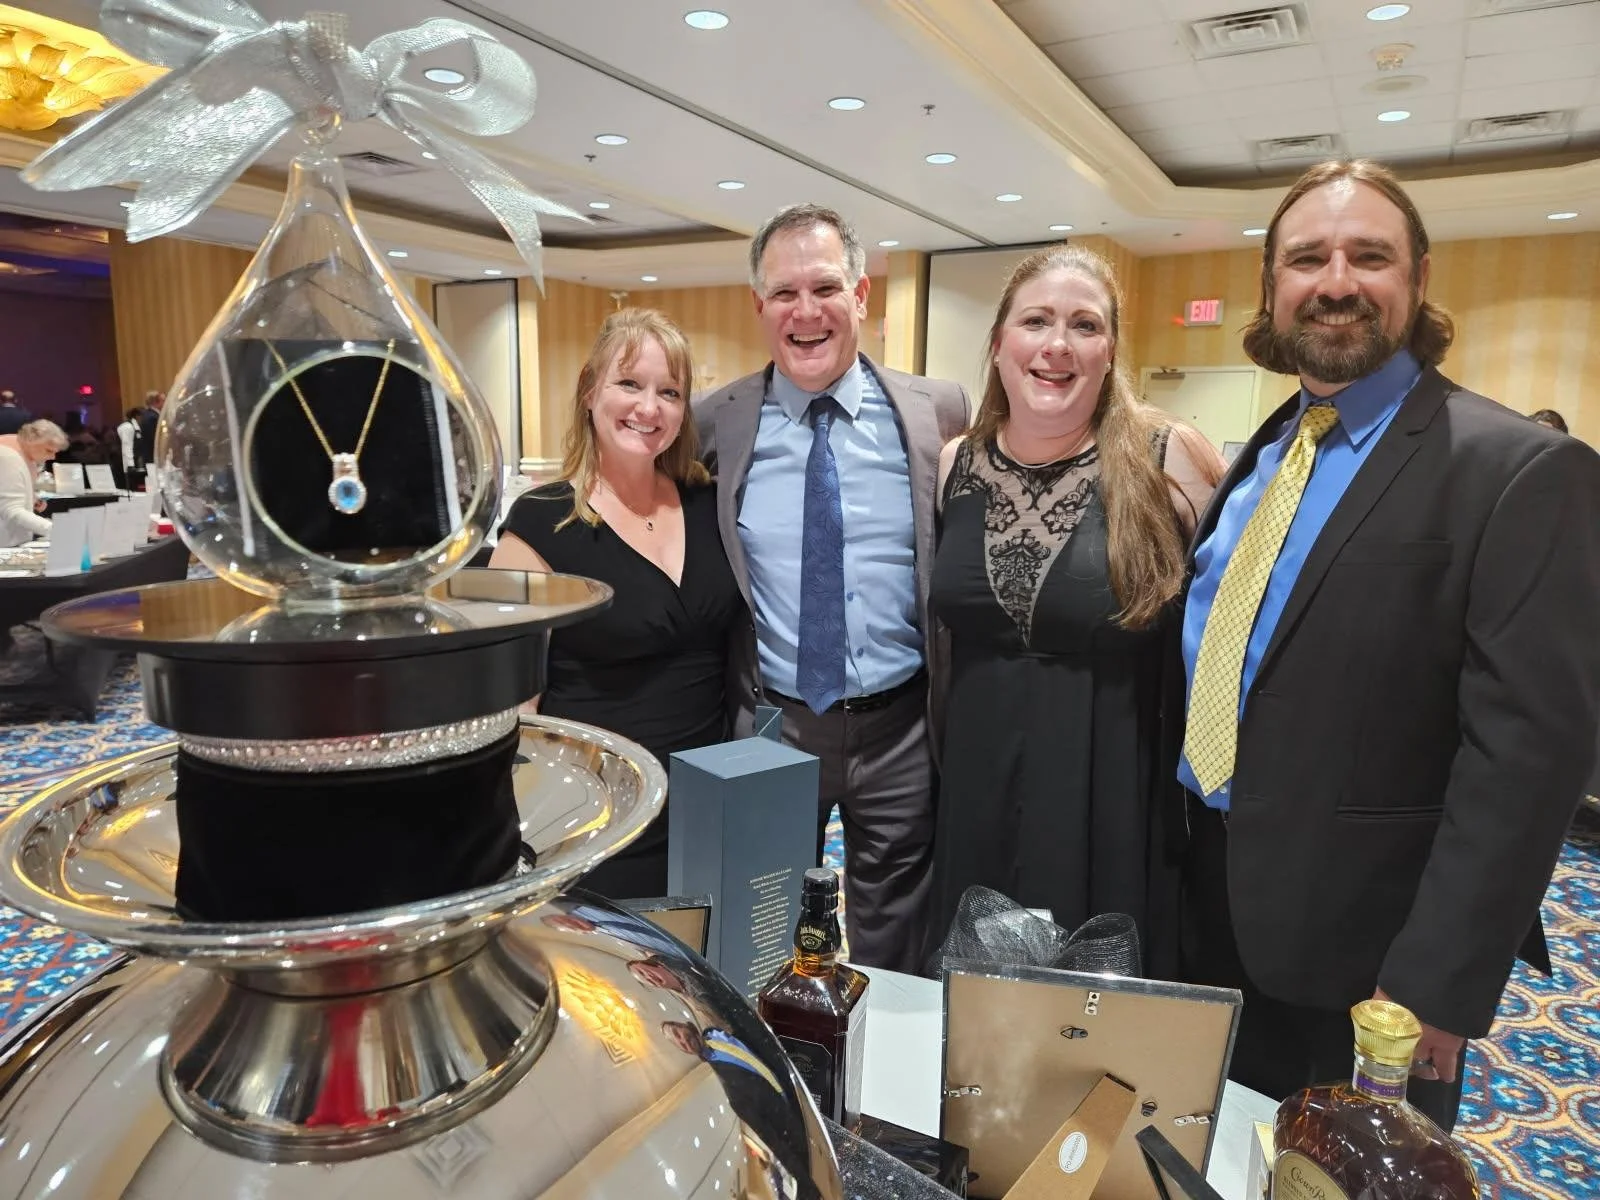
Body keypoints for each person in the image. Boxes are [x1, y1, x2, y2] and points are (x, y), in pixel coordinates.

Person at [1177, 158, 1600, 1132]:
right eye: (1306, 258)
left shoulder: (1517, 470)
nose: (1334, 280)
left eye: (1368, 255)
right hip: (1203, 916)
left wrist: (1437, 986)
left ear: (1415, 280)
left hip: (1367, 969)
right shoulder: (1266, 448)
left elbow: (1530, 754)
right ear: (1270, 288)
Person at [929, 245, 1223, 980]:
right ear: (999, 345)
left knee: (1099, 1033)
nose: (1057, 345)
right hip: (976, 793)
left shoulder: (1167, 458)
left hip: (1112, 801)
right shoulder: (955, 463)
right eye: (1036, 321)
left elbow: (1229, 630)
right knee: (980, 1026)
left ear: (1110, 350)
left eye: (1084, 325)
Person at [694, 203, 970, 973]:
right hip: (773, 723)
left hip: (903, 728)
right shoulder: (714, 423)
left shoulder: (937, 412)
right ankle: (777, 1083)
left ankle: (878, 1082)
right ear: (758, 307)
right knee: (760, 930)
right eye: (783, 294)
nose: (805, 312)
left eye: (824, 288)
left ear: (862, 296)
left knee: (897, 939)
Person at [492, 309, 744, 900]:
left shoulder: (709, 502)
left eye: (670, 392)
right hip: (601, 810)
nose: (648, 408)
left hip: (711, 802)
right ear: (589, 390)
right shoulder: (540, 524)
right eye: (629, 384)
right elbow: (511, 705)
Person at [0, 419, 68, 546]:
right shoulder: (9, 457)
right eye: (49, 450)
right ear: (31, 440)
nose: (53, 457)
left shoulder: (18, 454)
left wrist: (32, 498)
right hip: (5, 543)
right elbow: (12, 510)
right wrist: (54, 529)